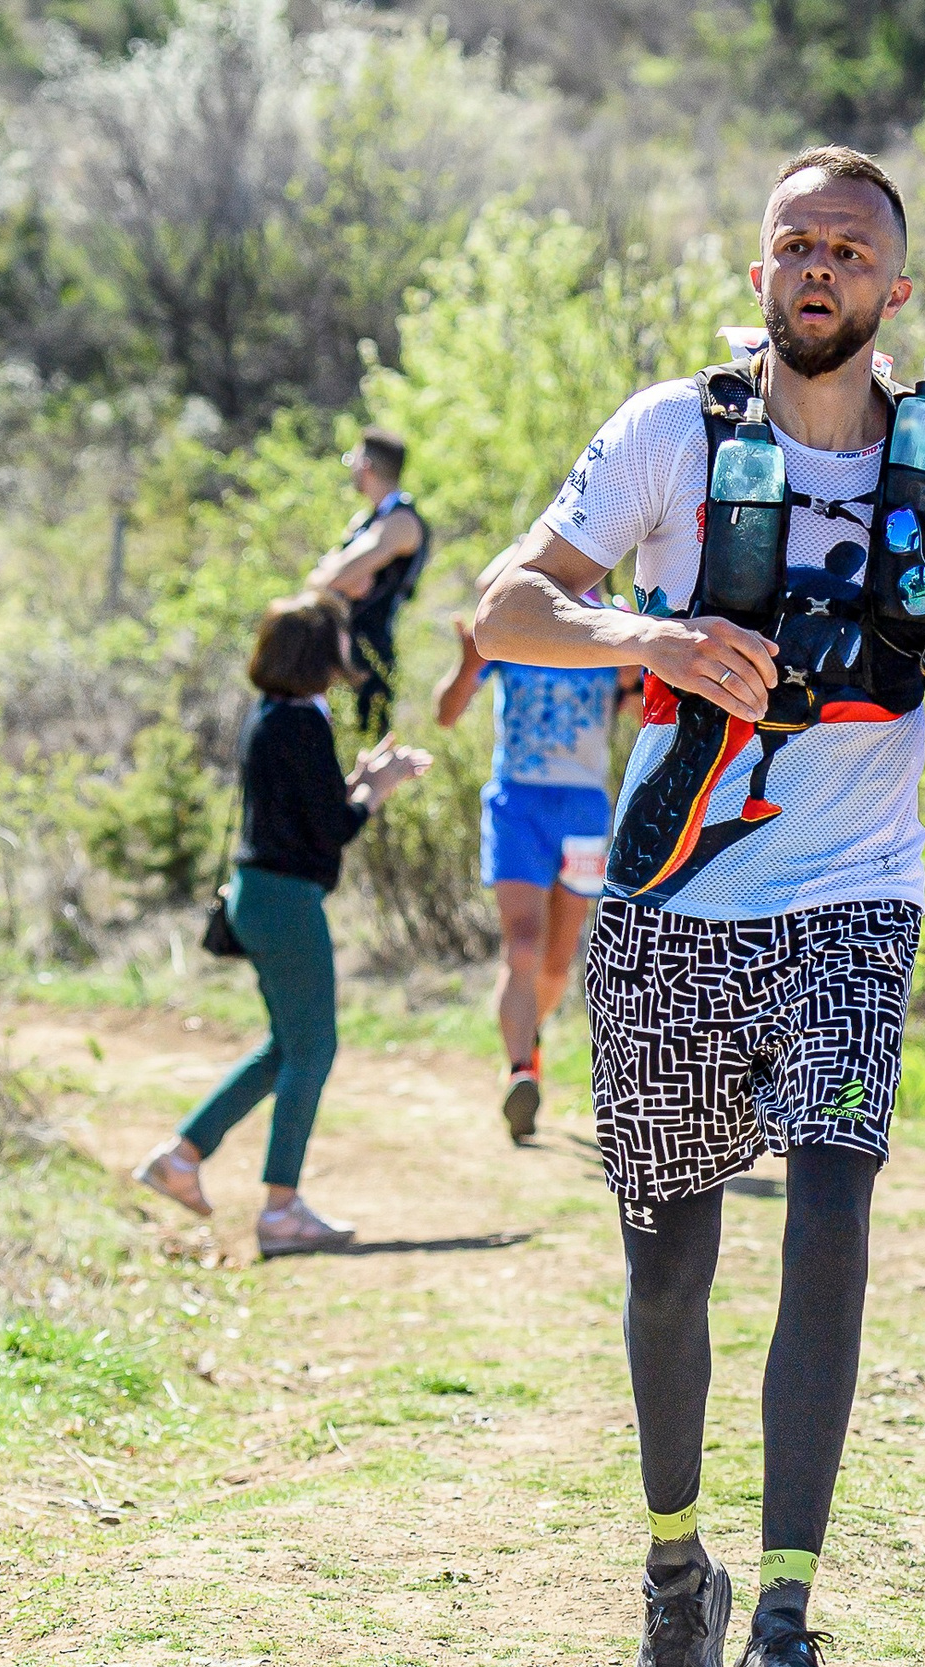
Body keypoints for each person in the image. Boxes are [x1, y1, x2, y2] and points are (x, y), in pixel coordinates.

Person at [474, 146, 925, 1667]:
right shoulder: (674, 433)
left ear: (893, 289)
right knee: (669, 1276)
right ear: (758, 277)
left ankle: (785, 1629)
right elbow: (505, 605)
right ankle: (680, 1583)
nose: (819, 269)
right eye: (794, 244)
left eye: (848, 250)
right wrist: (643, 635)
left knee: (833, 1208)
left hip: (857, 894)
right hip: (667, 904)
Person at [135, 595, 430, 1254]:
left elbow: (308, 812)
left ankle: (181, 1158)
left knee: (284, 1050)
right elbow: (332, 830)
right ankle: (280, 1209)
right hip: (286, 901)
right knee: (313, 1050)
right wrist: (378, 788)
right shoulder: (302, 723)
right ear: (321, 655)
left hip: (259, 894)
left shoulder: (272, 715)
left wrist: (353, 784)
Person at [436, 549, 640, 1142]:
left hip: (582, 809)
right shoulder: (511, 624)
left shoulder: (612, 625)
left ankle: (530, 1039)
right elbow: (446, 714)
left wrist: (634, 667)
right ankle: (519, 1069)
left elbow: (639, 707)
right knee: (522, 945)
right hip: (516, 804)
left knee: (556, 958)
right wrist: (467, 657)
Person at [307, 426, 428, 736]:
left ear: (366, 466)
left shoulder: (400, 521)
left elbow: (331, 578)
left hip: (369, 659)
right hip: (336, 657)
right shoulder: (367, 521)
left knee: (365, 751)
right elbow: (324, 580)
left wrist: (339, 577)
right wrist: (343, 578)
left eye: (353, 459)